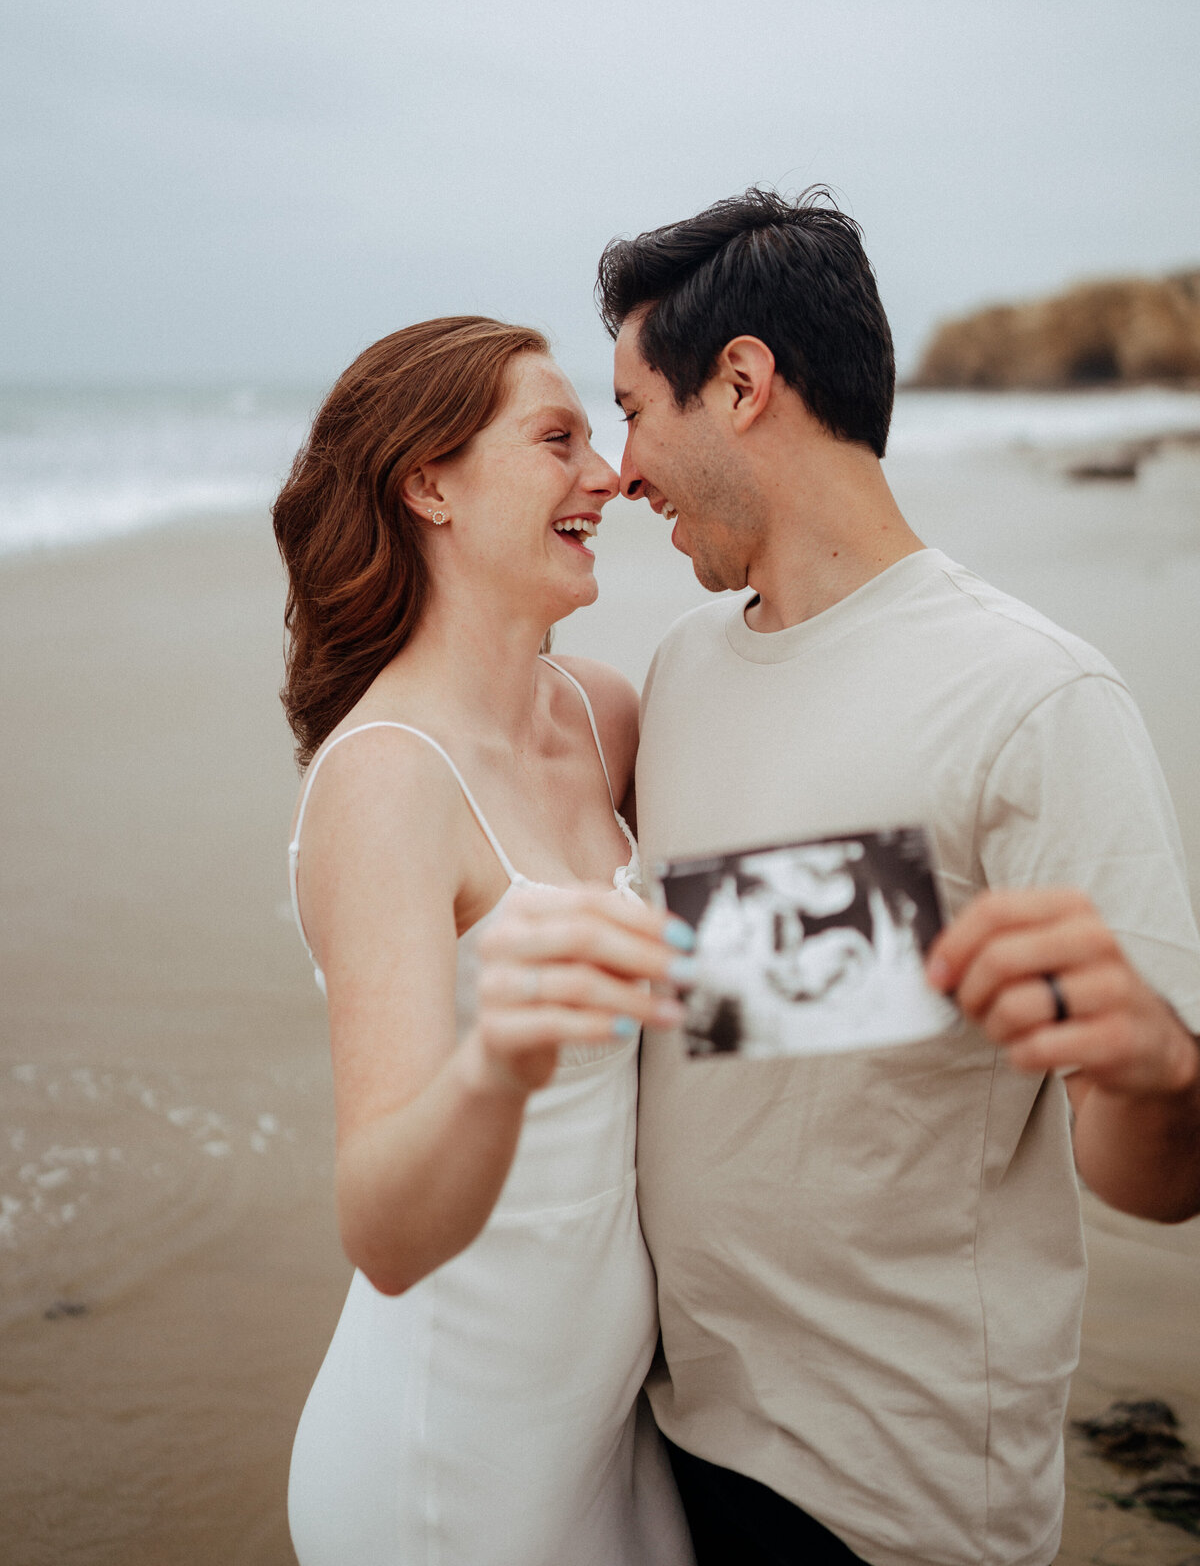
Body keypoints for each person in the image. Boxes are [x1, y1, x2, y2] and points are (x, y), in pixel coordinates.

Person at [597, 190, 1200, 1566]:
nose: (624, 467)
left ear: (742, 382)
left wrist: (1162, 1069)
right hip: (666, 1439)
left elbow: (1156, 1179)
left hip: (885, 1495)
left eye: (634, 409)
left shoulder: (1033, 696)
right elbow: (735, 1021)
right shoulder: (686, 671)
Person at [272, 316, 696, 1566]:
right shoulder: (387, 782)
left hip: (613, 1434)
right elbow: (384, 1230)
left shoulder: (603, 714)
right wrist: (499, 1063)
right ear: (430, 484)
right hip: (451, 1467)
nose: (608, 475)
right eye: (556, 440)